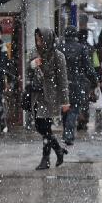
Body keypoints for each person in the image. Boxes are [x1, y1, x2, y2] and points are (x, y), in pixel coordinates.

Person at [28, 28, 70, 169]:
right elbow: (28, 69)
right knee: (41, 127)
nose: (38, 42)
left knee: (45, 127)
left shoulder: (58, 56)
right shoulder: (34, 52)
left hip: (50, 97)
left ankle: (45, 159)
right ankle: (58, 150)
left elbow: (63, 80)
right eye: (36, 39)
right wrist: (34, 64)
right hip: (36, 95)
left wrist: (65, 101)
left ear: (47, 39)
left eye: (40, 39)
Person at [60, 26, 97, 146]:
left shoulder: (60, 48)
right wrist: (94, 81)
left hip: (62, 83)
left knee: (65, 109)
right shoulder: (81, 48)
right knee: (74, 109)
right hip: (77, 83)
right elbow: (88, 68)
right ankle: (68, 134)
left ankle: (66, 131)